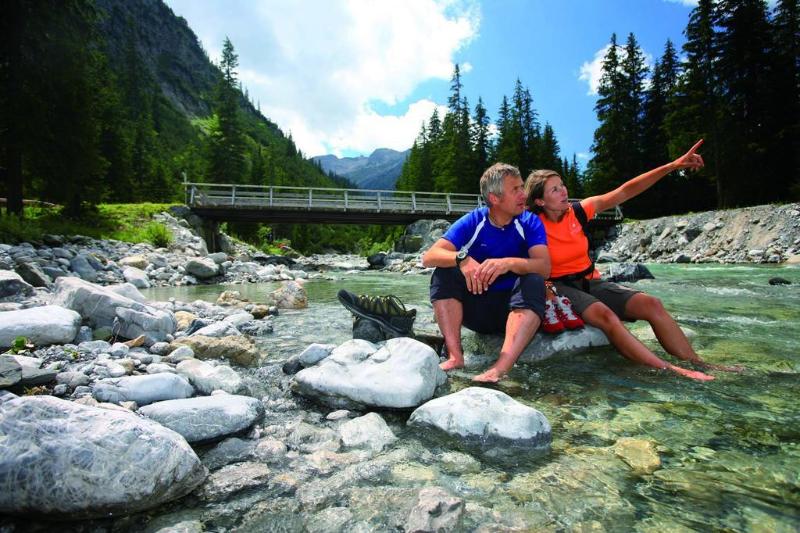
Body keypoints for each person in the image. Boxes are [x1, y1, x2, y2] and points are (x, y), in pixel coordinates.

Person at [524, 140, 742, 381]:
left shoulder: (579, 211)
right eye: (555, 190)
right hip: (559, 287)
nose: (564, 191)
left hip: (591, 282)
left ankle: (698, 363)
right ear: (540, 201)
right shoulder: (530, 224)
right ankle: (669, 369)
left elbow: (625, 191)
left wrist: (672, 166)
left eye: (562, 185)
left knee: (652, 304)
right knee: (606, 316)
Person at [421, 163, 550, 382]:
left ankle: (500, 368)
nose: (524, 194)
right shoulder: (474, 220)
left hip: (512, 310)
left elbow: (544, 267)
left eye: (522, 187)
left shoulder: (529, 222)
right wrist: (462, 258)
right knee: (444, 273)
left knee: (534, 280)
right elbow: (429, 257)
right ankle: (455, 357)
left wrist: (508, 263)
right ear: (494, 198)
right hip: (477, 311)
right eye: (516, 189)